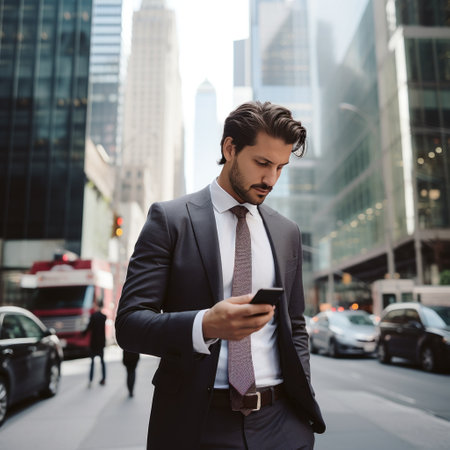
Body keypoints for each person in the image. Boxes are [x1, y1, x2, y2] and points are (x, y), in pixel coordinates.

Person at [115, 101, 325, 449]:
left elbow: (295, 323)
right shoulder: (170, 220)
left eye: (280, 167)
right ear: (230, 148)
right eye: (262, 163)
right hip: (198, 424)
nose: (271, 179)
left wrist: (300, 410)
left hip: (282, 424)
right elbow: (130, 325)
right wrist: (205, 326)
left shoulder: (287, 232)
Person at [84, 302, 106, 387]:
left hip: (94, 343)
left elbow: (88, 328)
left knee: (92, 362)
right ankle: (103, 379)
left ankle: (90, 380)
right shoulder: (104, 317)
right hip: (101, 343)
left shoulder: (93, 316)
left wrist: (82, 334)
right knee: (102, 362)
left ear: (96, 306)